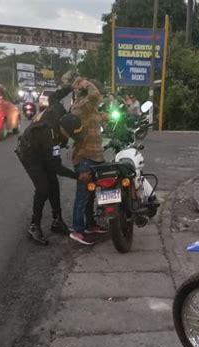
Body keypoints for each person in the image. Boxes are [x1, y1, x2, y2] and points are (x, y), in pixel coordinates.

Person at [16, 84, 83, 245]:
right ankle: (34, 226)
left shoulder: (59, 111)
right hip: (29, 152)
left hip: (40, 148)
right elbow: (57, 167)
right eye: (69, 134)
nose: (69, 137)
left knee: (54, 185)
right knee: (44, 187)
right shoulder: (51, 136)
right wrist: (79, 176)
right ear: (63, 128)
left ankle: (57, 221)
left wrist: (69, 87)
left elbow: (53, 97)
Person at [69, 77, 107, 246]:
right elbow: (95, 96)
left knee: (91, 194)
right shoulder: (80, 106)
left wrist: (103, 118)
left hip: (96, 157)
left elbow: (95, 118)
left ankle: (90, 224)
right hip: (84, 157)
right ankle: (77, 229)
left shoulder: (90, 110)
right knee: (83, 195)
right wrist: (87, 83)